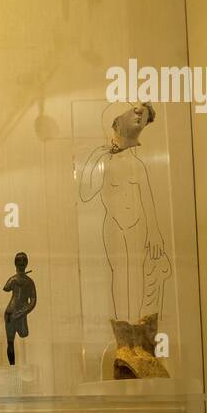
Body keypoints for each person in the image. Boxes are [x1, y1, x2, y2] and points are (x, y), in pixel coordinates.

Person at [79, 103, 171, 322]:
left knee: (136, 274)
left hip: (137, 224)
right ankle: (123, 330)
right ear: (116, 122)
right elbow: (85, 192)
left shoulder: (137, 164)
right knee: (119, 275)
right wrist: (96, 158)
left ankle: (136, 327)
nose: (138, 114)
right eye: (131, 112)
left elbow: (147, 198)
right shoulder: (104, 161)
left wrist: (155, 232)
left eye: (141, 113)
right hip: (113, 225)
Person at [3, 253, 37, 366]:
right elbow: (32, 301)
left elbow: (6, 288)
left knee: (16, 339)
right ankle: (12, 368)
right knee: (12, 341)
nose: (21, 265)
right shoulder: (28, 281)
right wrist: (23, 311)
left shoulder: (15, 280)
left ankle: (13, 367)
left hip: (13, 312)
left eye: (22, 263)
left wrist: (23, 312)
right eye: (20, 263)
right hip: (14, 313)